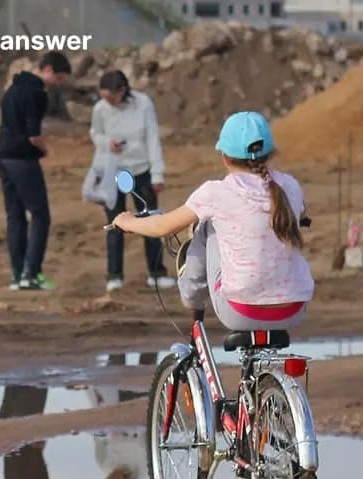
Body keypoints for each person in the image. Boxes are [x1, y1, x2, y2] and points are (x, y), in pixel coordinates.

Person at [111, 111, 314, 332]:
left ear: (224, 157)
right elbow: (301, 213)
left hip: (239, 311)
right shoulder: (291, 186)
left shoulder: (215, 193)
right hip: (294, 309)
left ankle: (192, 296)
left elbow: (162, 227)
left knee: (209, 227)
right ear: (270, 153)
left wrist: (128, 221)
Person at [90, 70, 174, 293]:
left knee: (150, 221)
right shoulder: (100, 109)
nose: (107, 101)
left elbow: (153, 137)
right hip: (114, 171)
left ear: (122, 91)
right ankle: (114, 275)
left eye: (110, 97)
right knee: (114, 223)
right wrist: (107, 142)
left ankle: (156, 273)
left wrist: (158, 173)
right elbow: (95, 134)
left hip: (142, 170)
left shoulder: (143, 104)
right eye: (104, 97)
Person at [0, 51, 71, 291]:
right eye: (58, 78)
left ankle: (17, 275)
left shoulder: (12, 89)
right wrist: (45, 149)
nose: (58, 84)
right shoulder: (37, 93)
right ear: (47, 70)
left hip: (2, 156)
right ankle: (32, 273)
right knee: (40, 215)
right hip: (23, 160)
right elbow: (33, 134)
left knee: (15, 216)